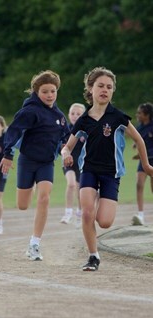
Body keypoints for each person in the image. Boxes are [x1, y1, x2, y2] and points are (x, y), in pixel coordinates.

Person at [61, 67, 153, 272]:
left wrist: (146, 165)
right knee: (86, 213)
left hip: (112, 174)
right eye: (100, 86)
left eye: (109, 87)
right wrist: (66, 154)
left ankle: (103, 197)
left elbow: (138, 139)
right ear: (90, 89)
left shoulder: (118, 116)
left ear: (113, 91)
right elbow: (67, 146)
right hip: (89, 171)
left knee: (104, 221)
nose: (105, 90)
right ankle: (93, 256)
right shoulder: (84, 120)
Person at [0, 70, 70, 261]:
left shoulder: (59, 116)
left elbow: (67, 136)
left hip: (46, 163)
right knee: (23, 205)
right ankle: (28, 190)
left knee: (44, 197)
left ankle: (34, 244)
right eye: (45, 91)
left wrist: (66, 149)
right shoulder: (30, 112)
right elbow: (13, 131)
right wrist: (7, 154)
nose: (49, 95)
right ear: (36, 92)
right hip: (27, 161)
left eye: (53, 91)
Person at [60, 103, 86, 228]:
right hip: (68, 162)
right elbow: (60, 145)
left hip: (81, 164)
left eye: (78, 114)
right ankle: (68, 212)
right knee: (70, 184)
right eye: (72, 113)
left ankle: (80, 214)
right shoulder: (65, 130)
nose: (75, 116)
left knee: (80, 190)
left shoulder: (85, 130)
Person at [131, 102, 153, 226]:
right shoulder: (139, 127)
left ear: (147, 115)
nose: (137, 115)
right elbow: (138, 141)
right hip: (144, 161)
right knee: (139, 185)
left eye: (139, 113)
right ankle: (140, 215)